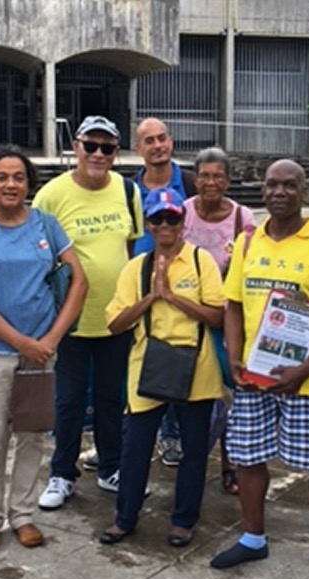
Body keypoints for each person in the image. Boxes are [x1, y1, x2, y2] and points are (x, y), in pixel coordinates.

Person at [210, 159, 309, 579]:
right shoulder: (248, 244)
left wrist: (303, 369)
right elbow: (233, 303)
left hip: (308, 381)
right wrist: (234, 356)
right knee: (249, 456)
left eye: (289, 185)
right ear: (263, 189)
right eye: (272, 184)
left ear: (304, 191)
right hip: (253, 378)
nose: (279, 192)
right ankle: (253, 536)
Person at [0, 145, 87, 551]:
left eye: (19, 177)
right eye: (2, 177)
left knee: (32, 435)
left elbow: (78, 282)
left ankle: (22, 514)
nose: (11, 184)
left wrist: (50, 340)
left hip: (41, 354)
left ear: (29, 183)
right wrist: (21, 341)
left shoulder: (46, 224)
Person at [99, 187, 224, 547]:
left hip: (196, 366)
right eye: (158, 219)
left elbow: (217, 316)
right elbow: (115, 323)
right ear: (149, 225)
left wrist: (174, 297)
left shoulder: (202, 262)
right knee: (135, 448)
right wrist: (152, 296)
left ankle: (184, 520)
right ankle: (125, 517)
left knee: (194, 449)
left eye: (173, 218)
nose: (166, 224)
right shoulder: (137, 269)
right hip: (148, 365)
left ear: (183, 223)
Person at [34, 115, 144, 510]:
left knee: (113, 398)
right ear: (76, 147)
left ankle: (110, 467)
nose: (98, 154)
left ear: (117, 153)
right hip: (72, 318)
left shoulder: (128, 190)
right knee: (69, 400)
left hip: (115, 317)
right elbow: (38, 254)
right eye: (90, 145)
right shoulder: (51, 195)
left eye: (107, 147)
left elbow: (130, 251)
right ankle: (62, 473)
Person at [125, 117, 199, 469]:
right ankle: (129, 433)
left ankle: (172, 434)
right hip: (138, 283)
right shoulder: (127, 191)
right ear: (138, 149)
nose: (158, 145)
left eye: (163, 138)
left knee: (177, 357)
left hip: (183, 286)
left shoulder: (190, 183)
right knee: (135, 362)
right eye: (149, 140)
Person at [181, 146, 255, 496]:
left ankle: (232, 463)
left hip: (228, 320)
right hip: (187, 316)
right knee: (195, 393)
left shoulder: (242, 218)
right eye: (205, 175)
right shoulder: (181, 213)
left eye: (218, 176)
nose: (211, 182)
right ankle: (191, 459)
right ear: (196, 179)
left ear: (228, 180)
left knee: (232, 393)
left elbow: (251, 269)